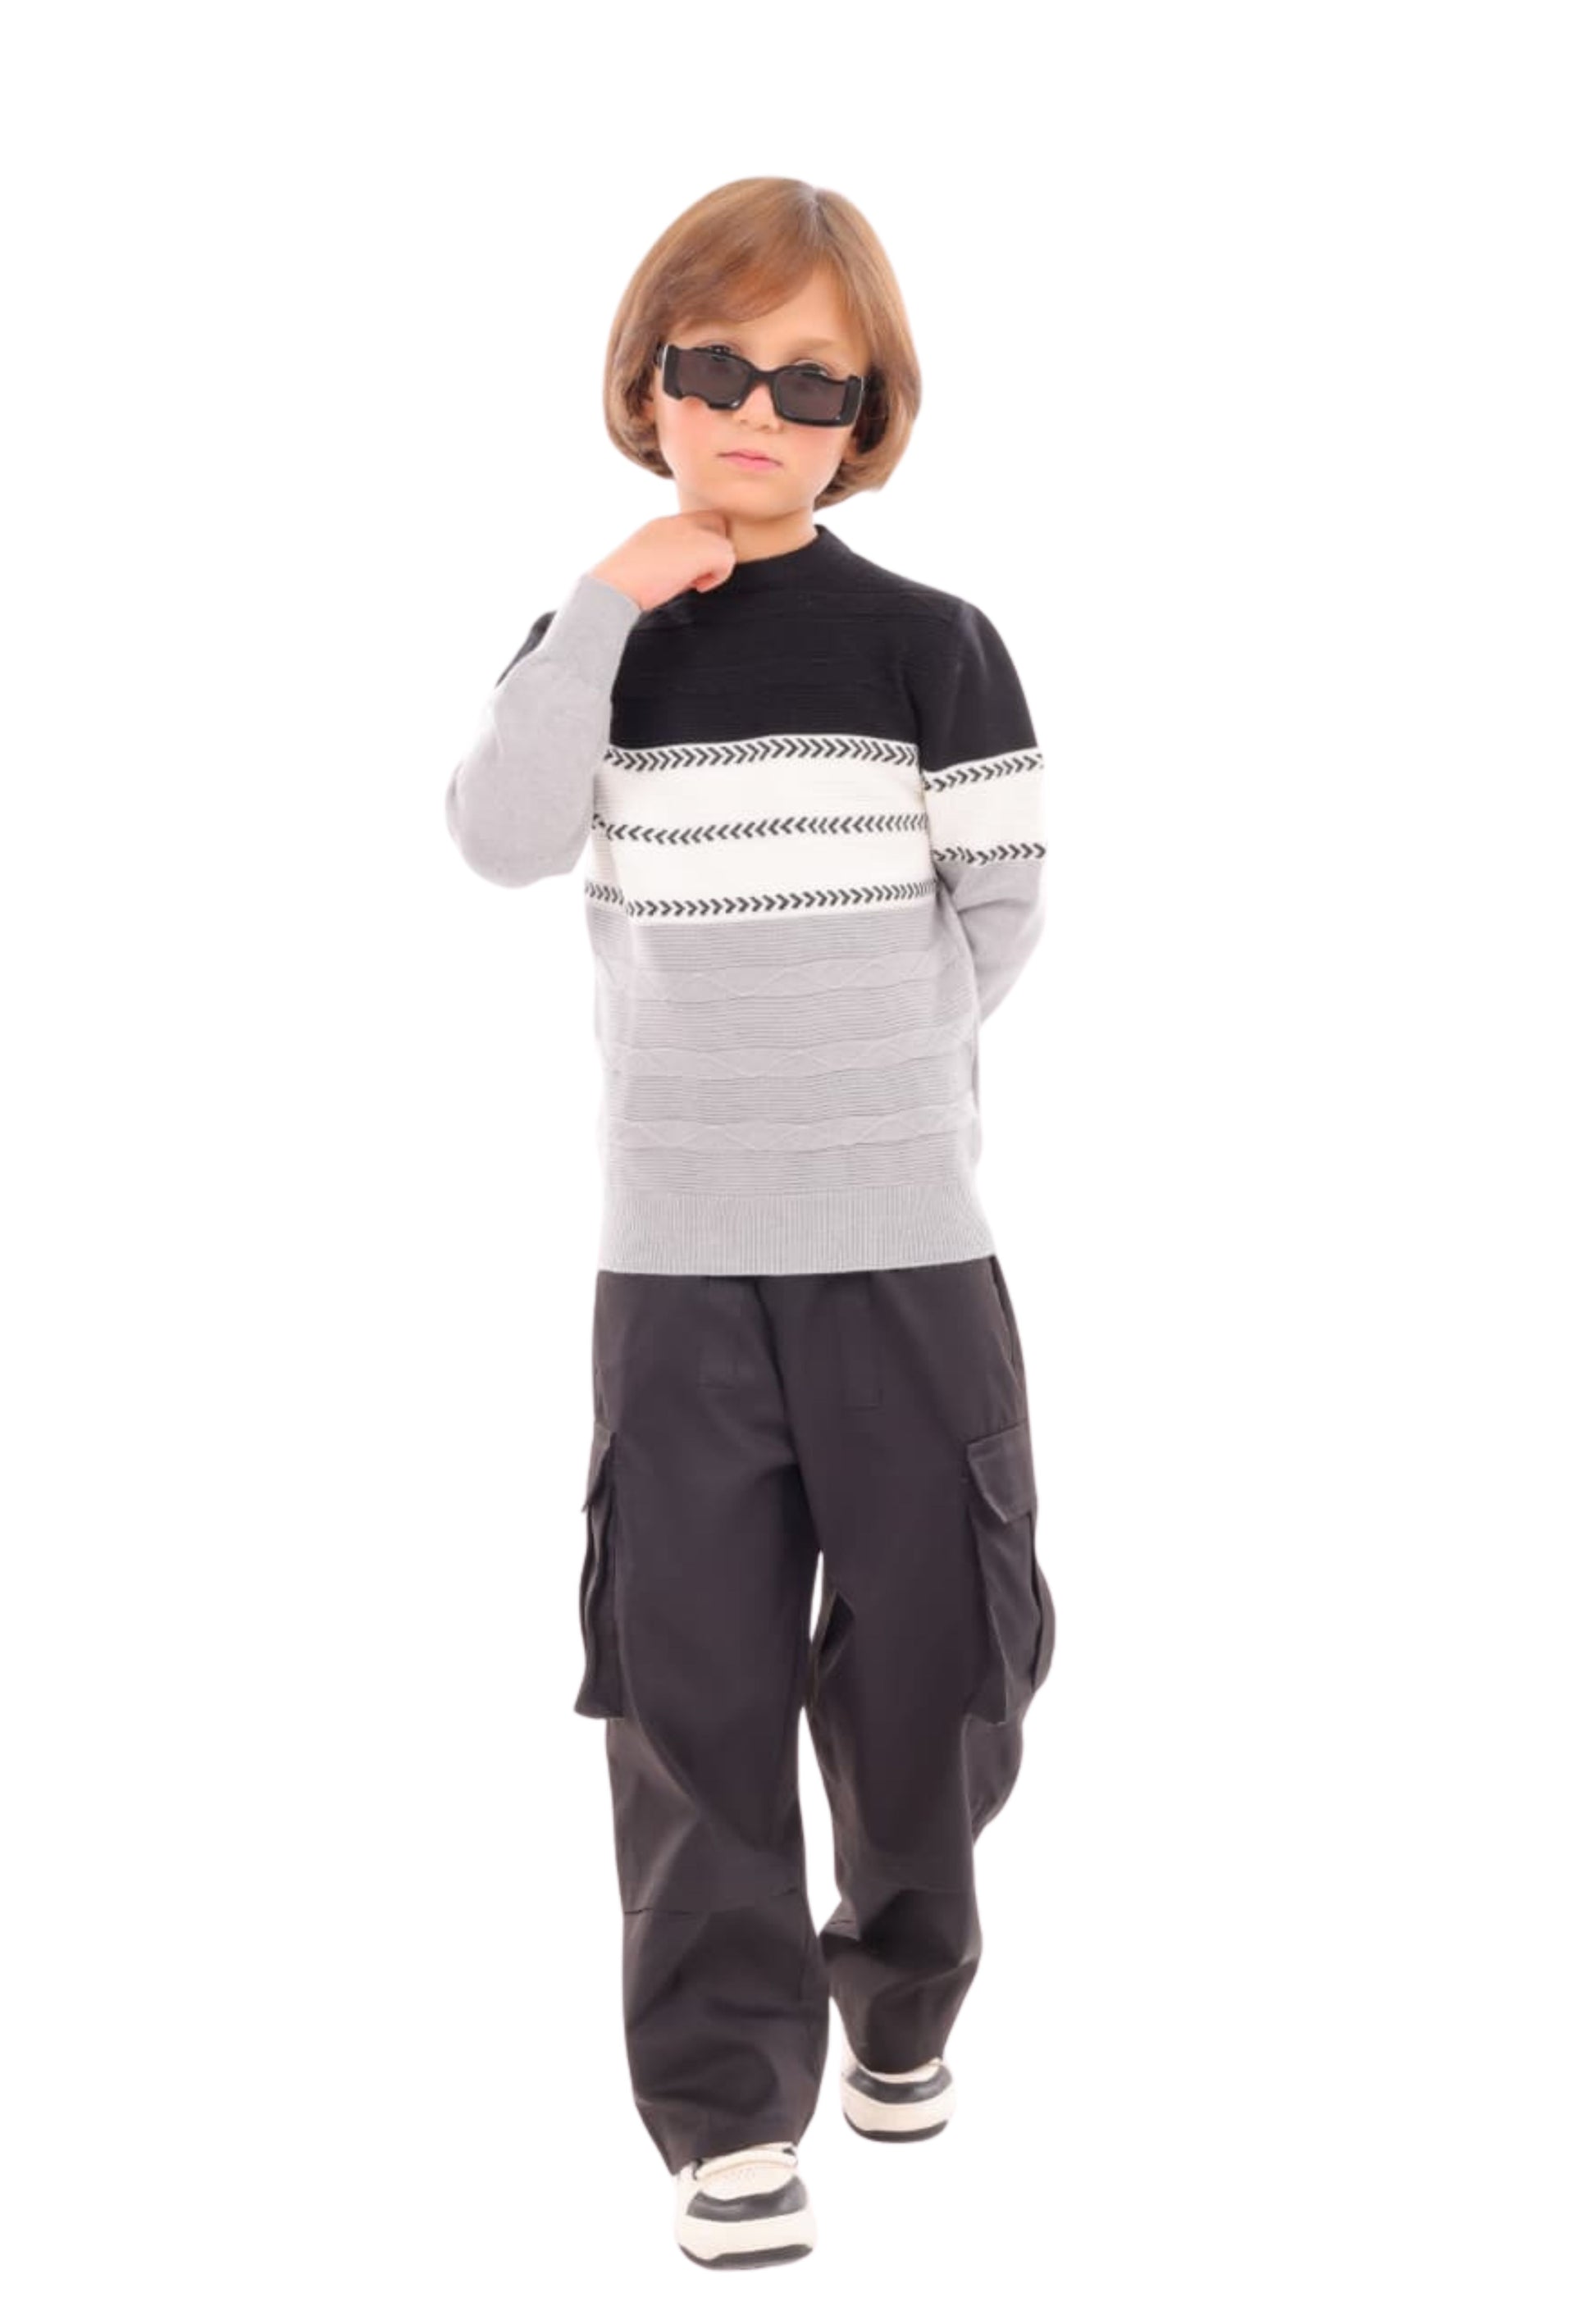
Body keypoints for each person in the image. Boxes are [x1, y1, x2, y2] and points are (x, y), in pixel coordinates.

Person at [445, 175, 1055, 2268]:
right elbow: (501, 837)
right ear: (649, 383)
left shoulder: (931, 644)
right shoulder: (595, 645)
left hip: (906, 1253)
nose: (757, 413)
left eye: (812, 382)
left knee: (945, 1664)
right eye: (716, 368)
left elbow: (1000, 913)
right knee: (686, 1686)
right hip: (678, 1265)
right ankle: (724, 2107)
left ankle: (903, 1976)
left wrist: (866, 1079)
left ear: (867, 413)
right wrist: (604, 601)